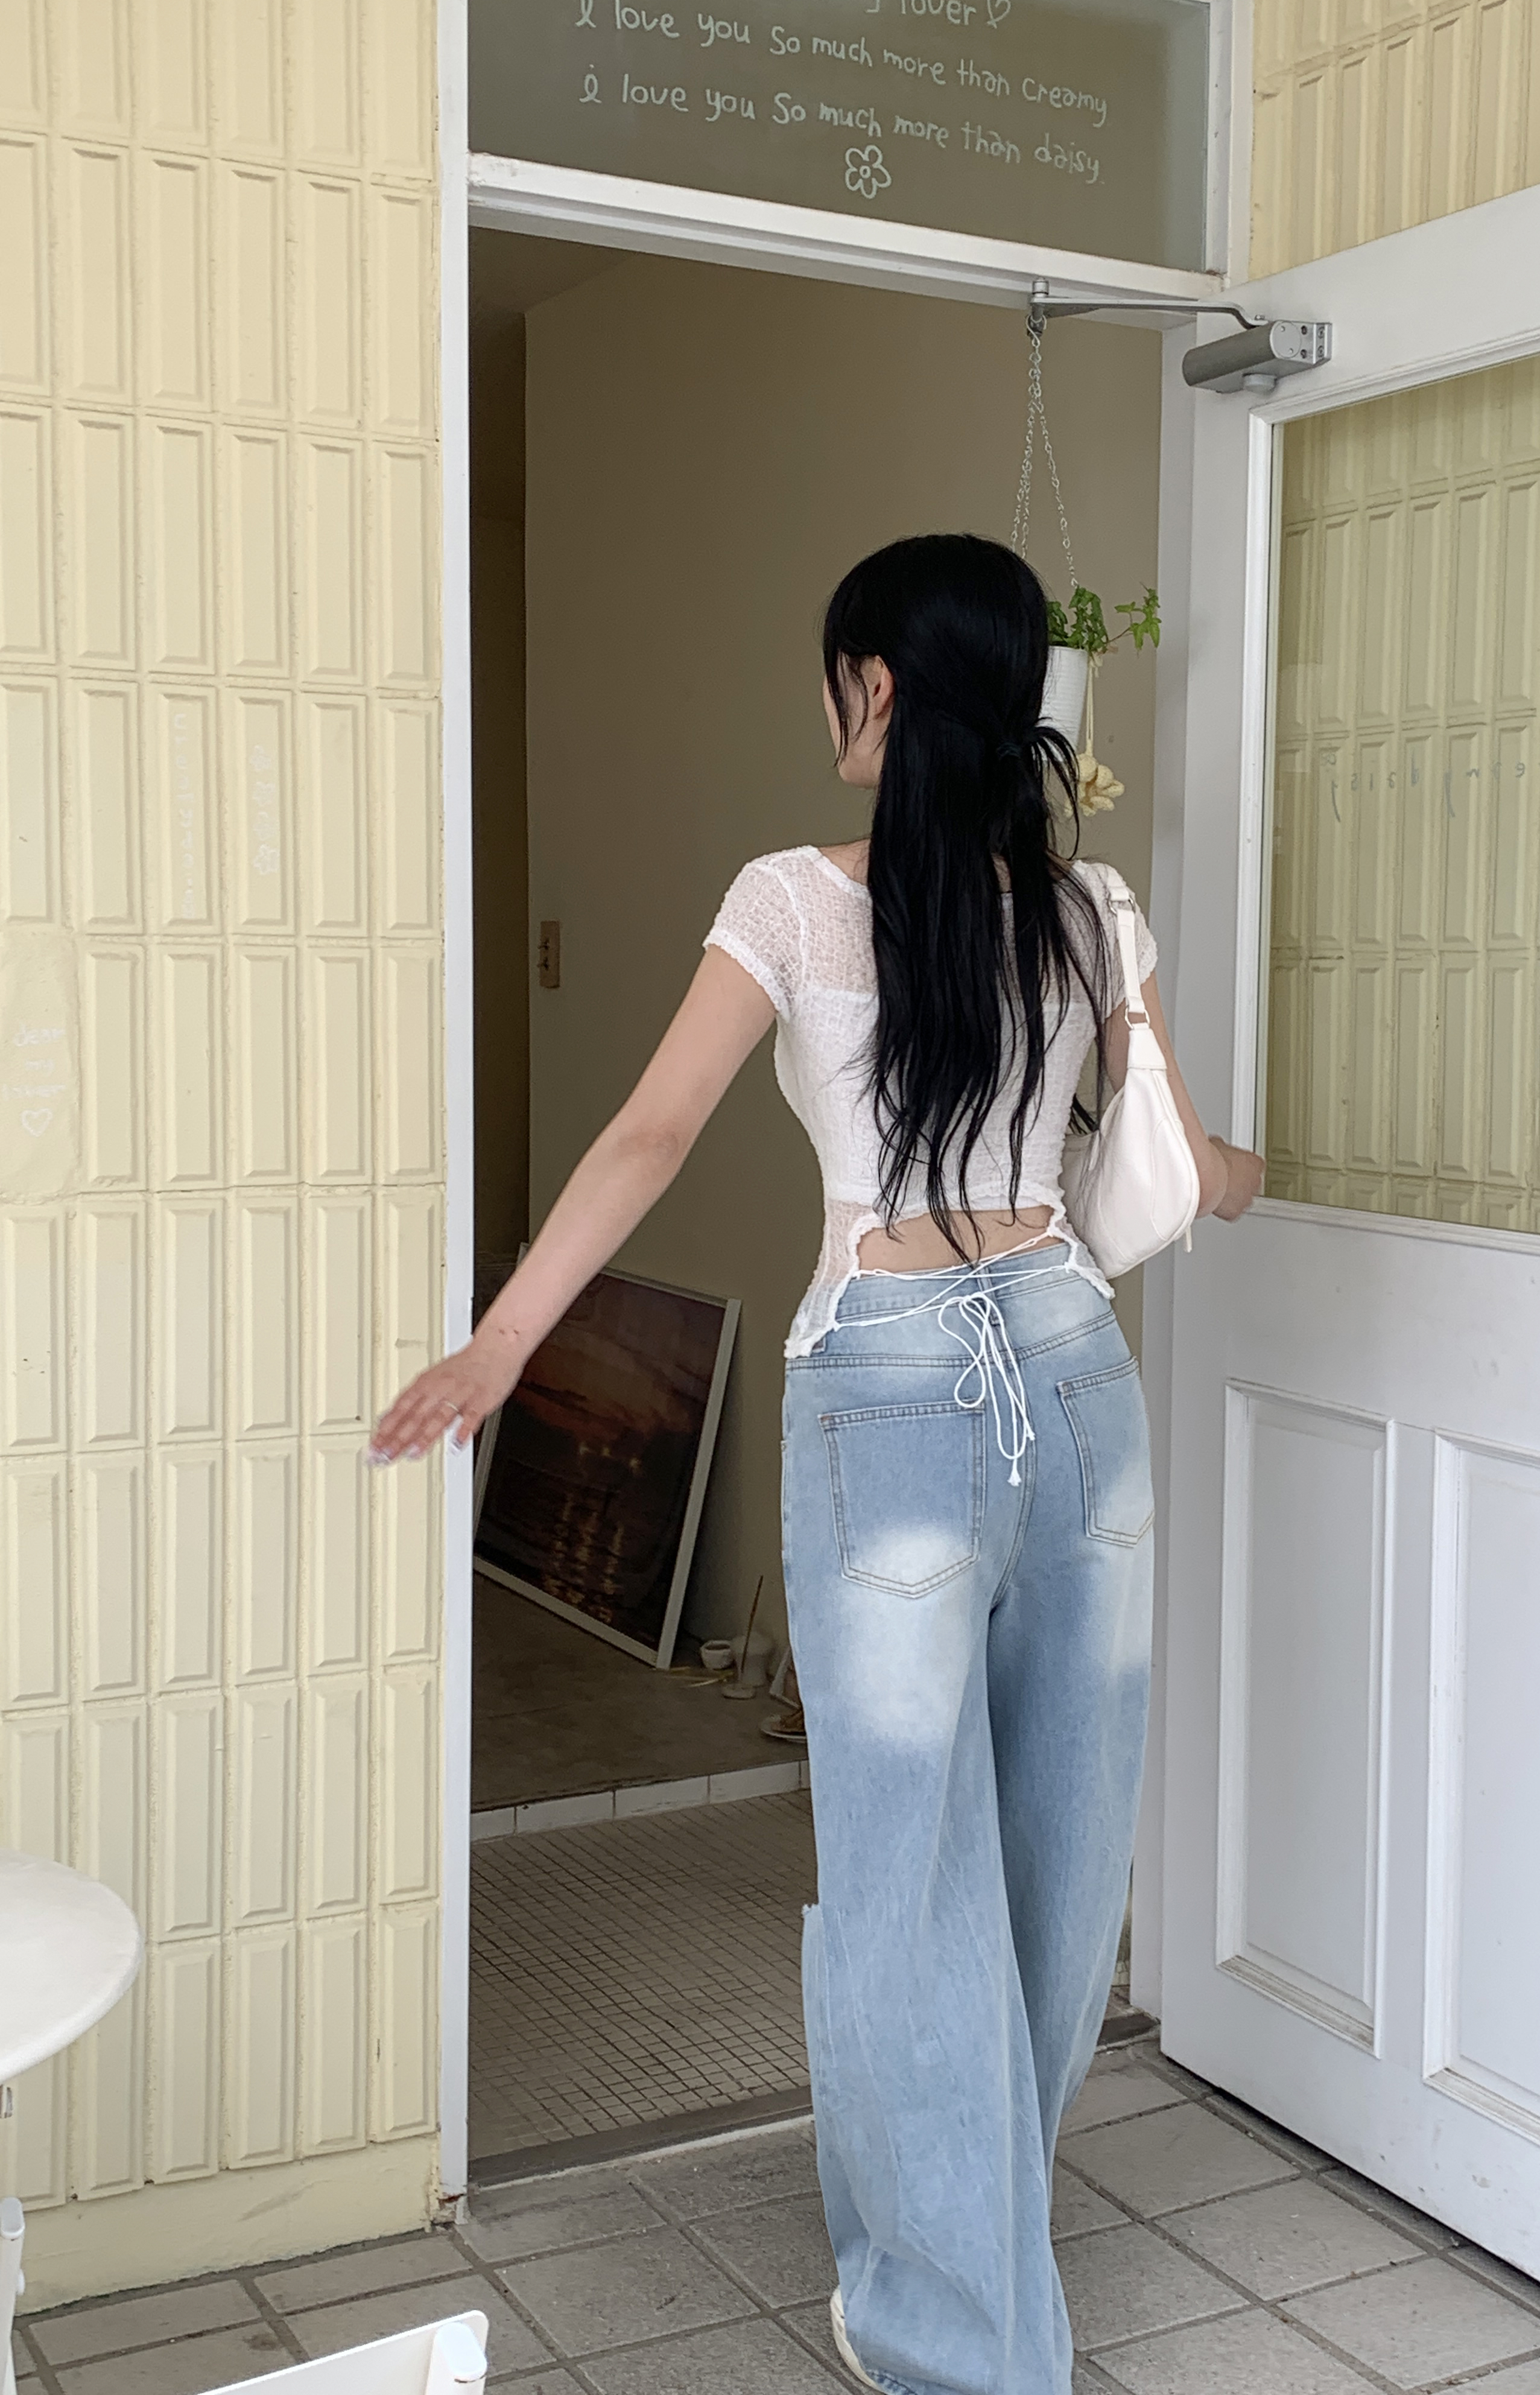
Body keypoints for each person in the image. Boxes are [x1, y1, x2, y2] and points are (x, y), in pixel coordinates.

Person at [370, 533, 1263, 2395]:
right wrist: (1285, 1166)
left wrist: (501, 1349)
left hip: (897, 1391)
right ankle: (969, 2269)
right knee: (1060, 1857)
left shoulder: (789, 899)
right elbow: (1196, 1172)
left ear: (878, 687)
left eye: (837, 671)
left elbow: (650, 1133)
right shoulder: (1090, 912)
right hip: (1079, 1379)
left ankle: (960, 2335)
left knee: (905, 1881)